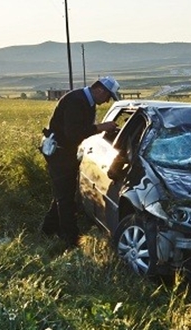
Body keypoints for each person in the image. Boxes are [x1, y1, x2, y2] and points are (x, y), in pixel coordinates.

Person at [39, 76, 120, 247]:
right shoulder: (77, 101)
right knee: (66, 198)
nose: (106, 101)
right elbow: (73, 133)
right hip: (59, 153)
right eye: (107, 96)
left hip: (65, 151)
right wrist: (100, 127)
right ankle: (71, 239)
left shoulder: (84, 100)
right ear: (99, 90)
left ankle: (48, 229)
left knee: (64, 193)